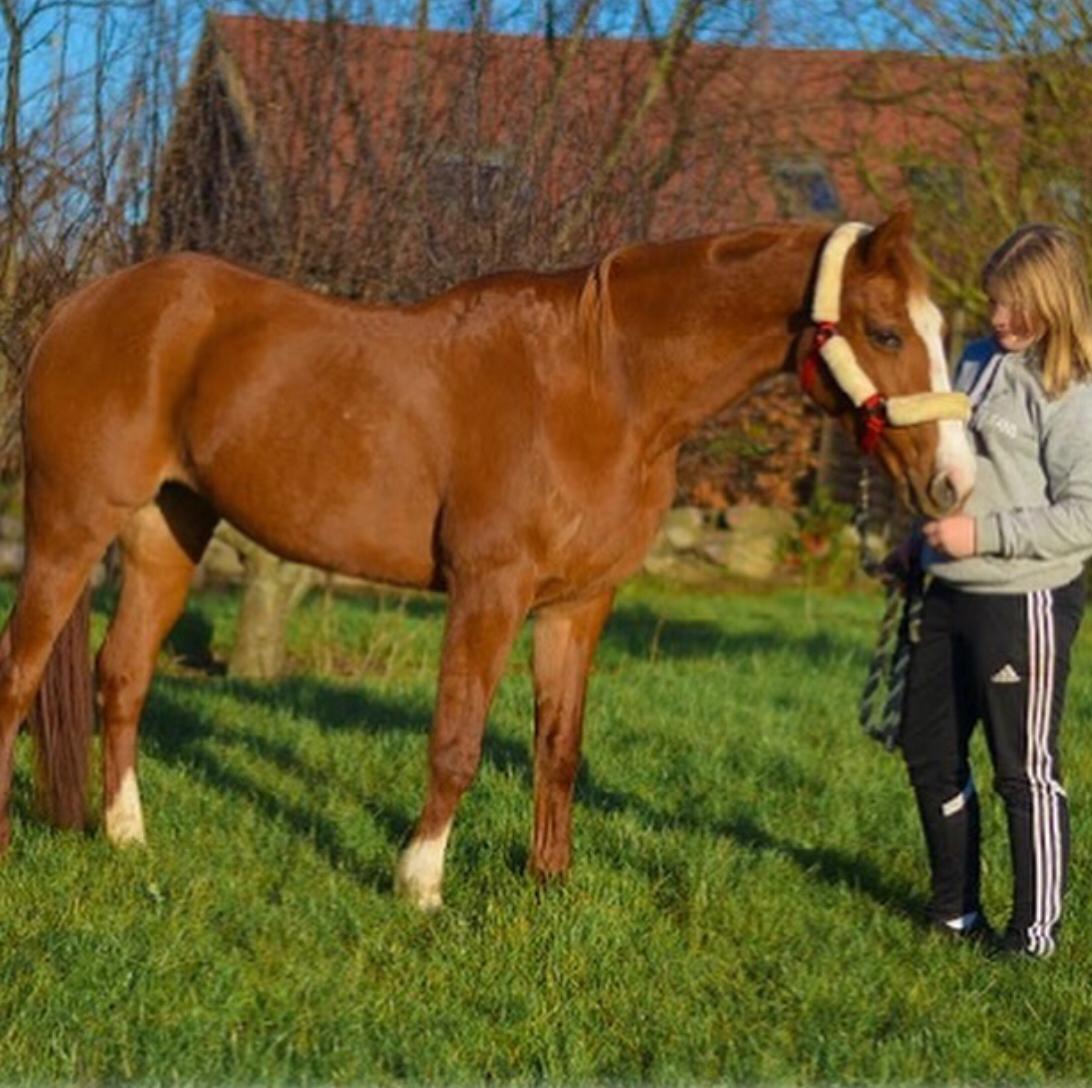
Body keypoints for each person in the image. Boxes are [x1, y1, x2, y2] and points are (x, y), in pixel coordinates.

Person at [899, 223, 1092, 957]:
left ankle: (1033, 934)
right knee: (928, 750)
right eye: (993, 302)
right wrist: (919, 537)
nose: (999, 317)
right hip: (946, 589)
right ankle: (955, 914)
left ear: (1052, 300)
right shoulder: (973, 359)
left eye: (1015, 304)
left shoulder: (1071, 389)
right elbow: (954, 468)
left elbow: (1085, 514)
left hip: (1026, 598)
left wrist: (984, 538)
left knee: (1023, 770)